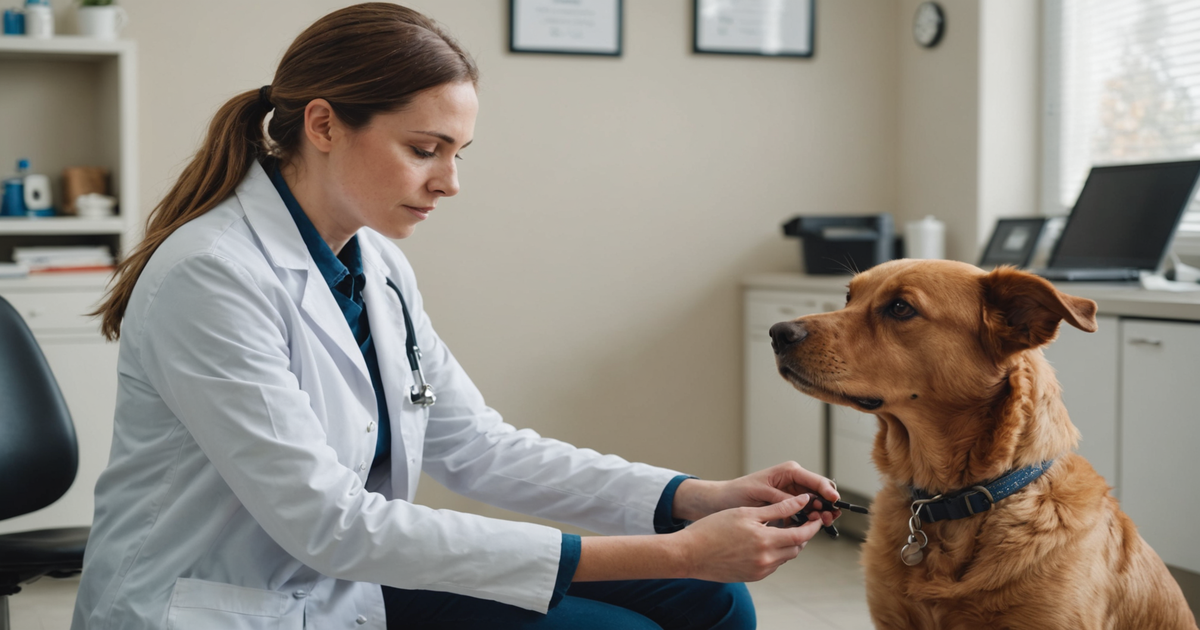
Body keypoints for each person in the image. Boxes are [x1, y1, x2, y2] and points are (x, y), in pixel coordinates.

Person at [73, 5, 840, 629]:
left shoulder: (374, 264)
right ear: (324, 125)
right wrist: (676, 552)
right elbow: (330, 525)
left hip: (338, 583)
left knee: (712, 598)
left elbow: (478, 447)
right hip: (226, 601)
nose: (449, 182)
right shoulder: (212, 274)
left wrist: (692, 498)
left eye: (459, 152)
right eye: (424, 149)